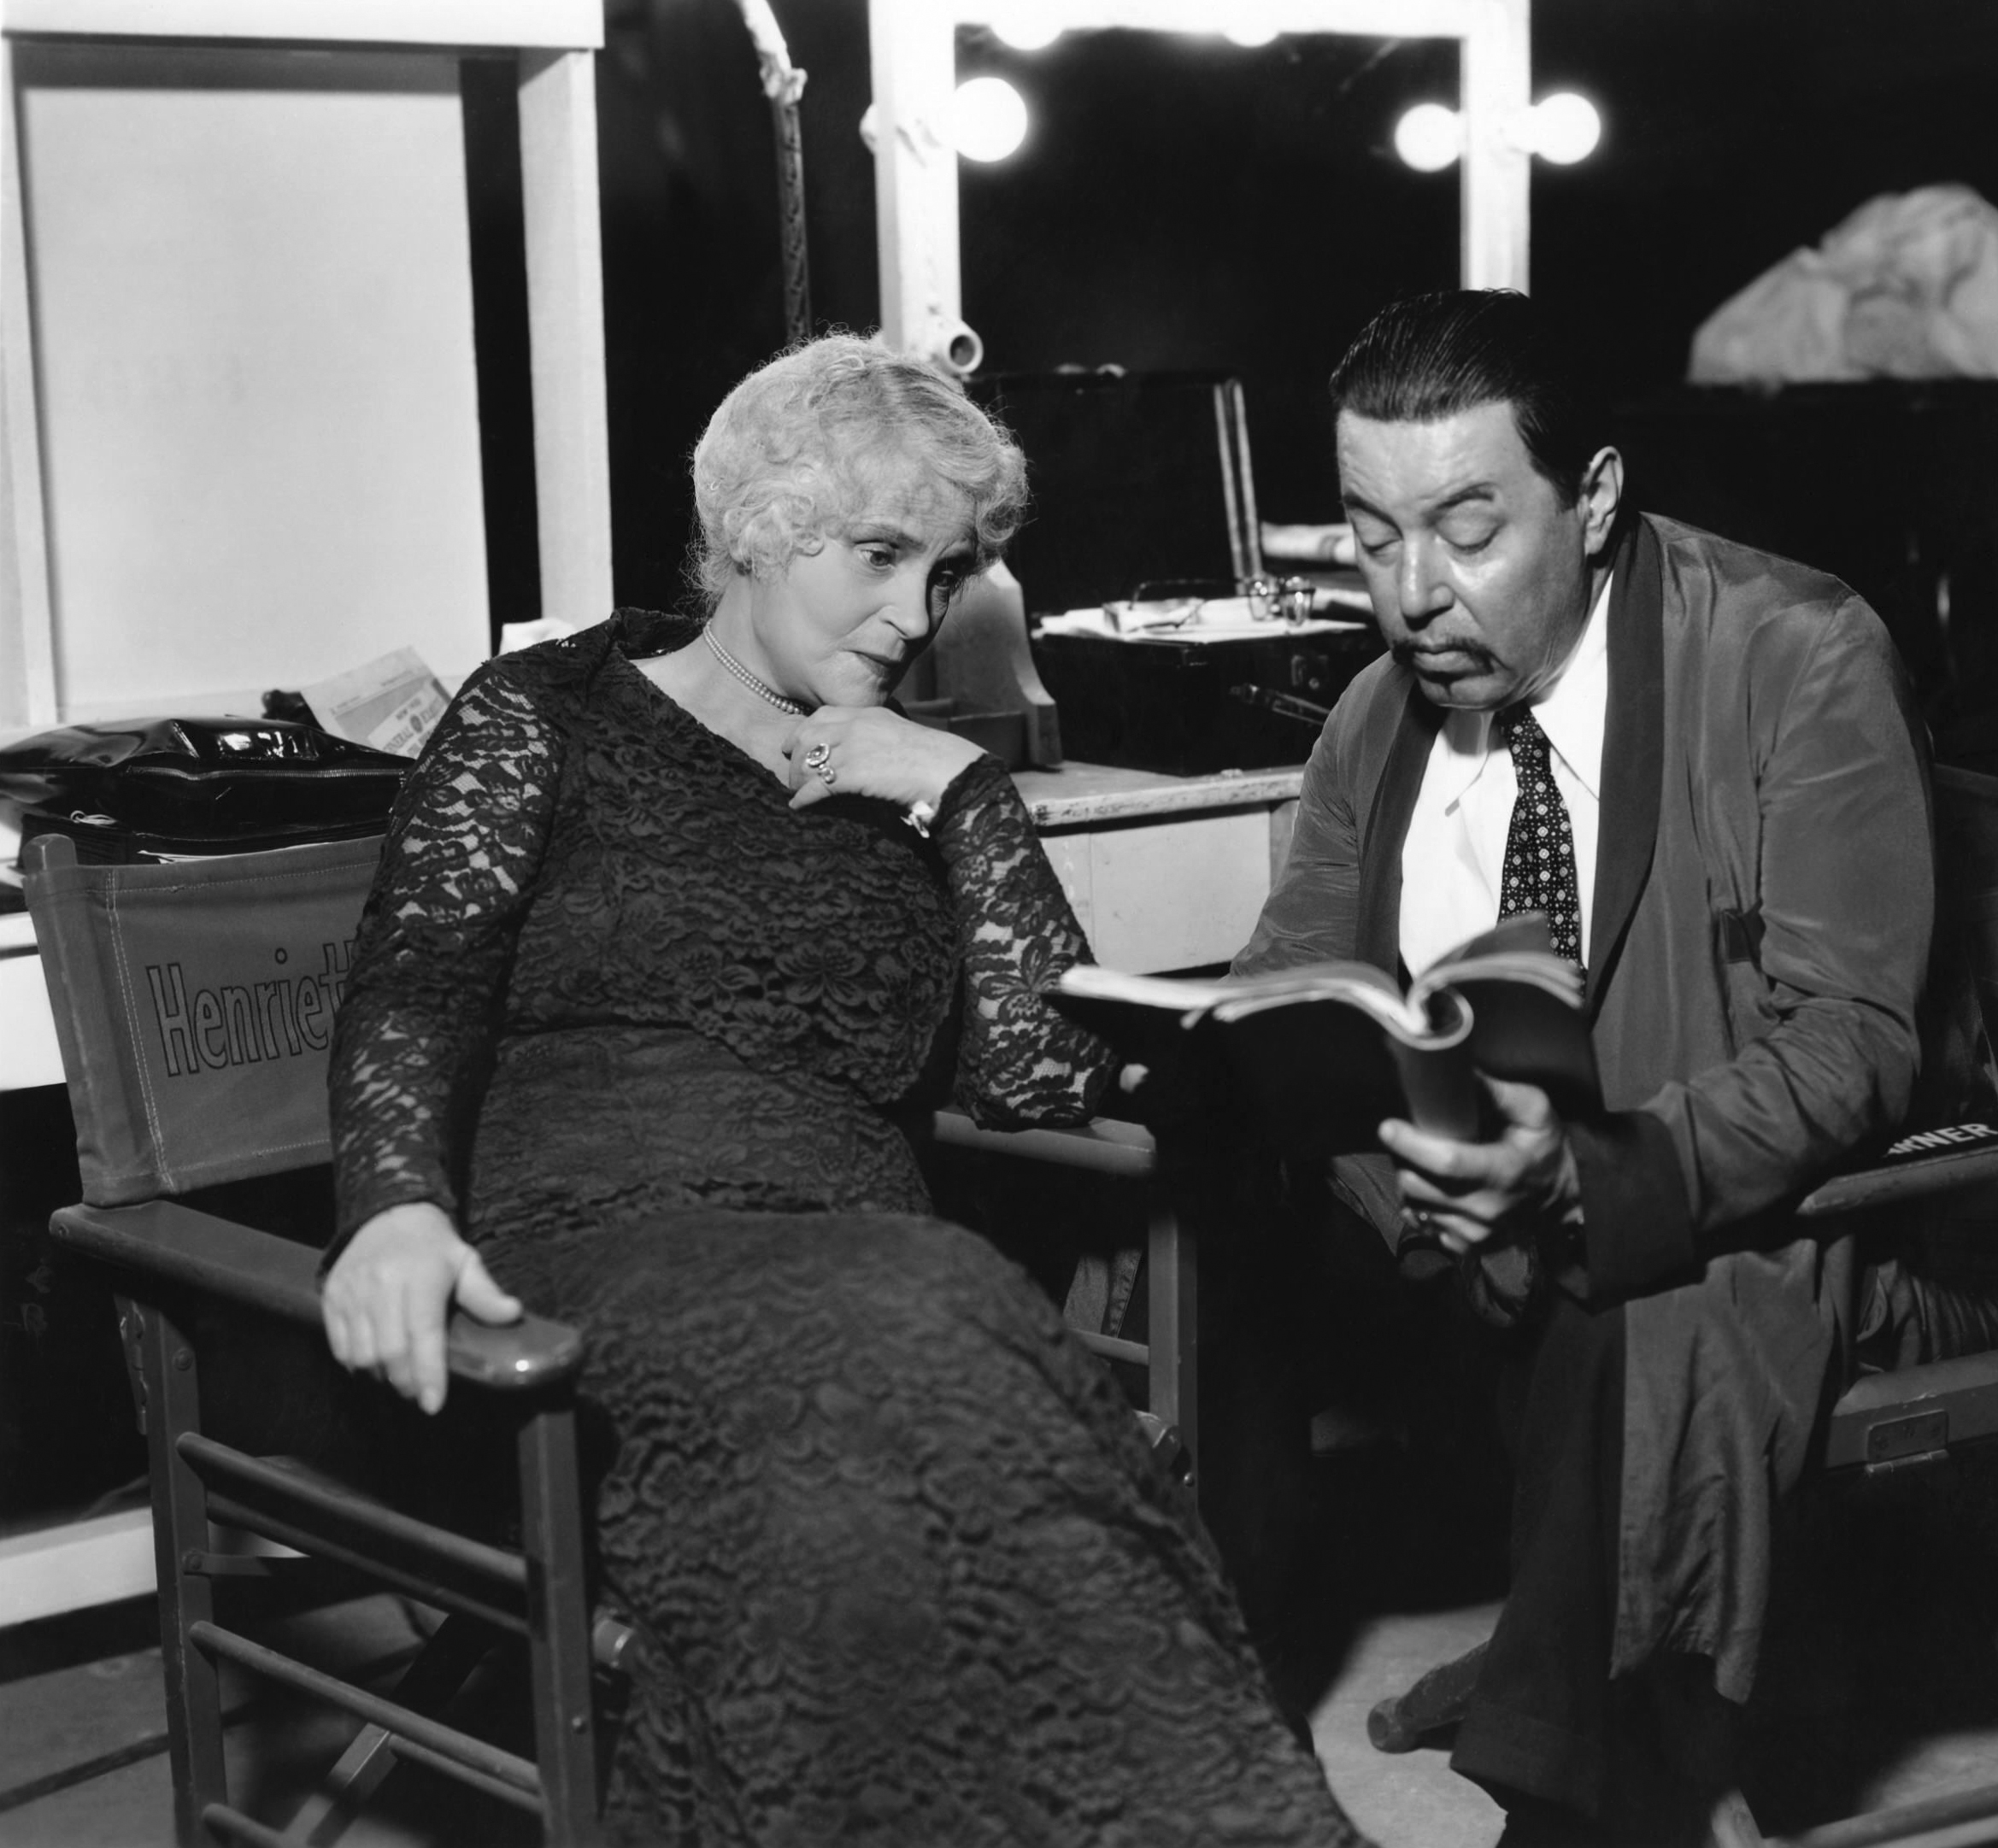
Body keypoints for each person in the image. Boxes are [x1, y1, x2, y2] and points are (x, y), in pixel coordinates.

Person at [316, 334, 1364, 1848]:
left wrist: (960, 793)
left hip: (861, 1270)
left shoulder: (907, 777)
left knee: (883, 1513)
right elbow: (415, 981)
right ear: (758, 529)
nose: (915, 615)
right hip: (595, 1251)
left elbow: (1042, 1073)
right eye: (879, 556)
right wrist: (395, 1208)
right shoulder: (553, 711)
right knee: (947, 1323)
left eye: (947, 575)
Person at [1231, 290, 1954, 1845]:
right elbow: (1291, 990)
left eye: (1468, 530)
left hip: (1785, 1231)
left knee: (1648, 1291)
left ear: (1598, 496)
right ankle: (1197, 1738)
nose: (1412, 594)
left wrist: (1573, 1179)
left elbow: (1854, 1046)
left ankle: (1569, 1793)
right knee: (1185, 1219)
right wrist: (1380, 1161)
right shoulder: (1376, 717)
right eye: (1371, 534)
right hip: (1460, 1236)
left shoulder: (1793, 656)